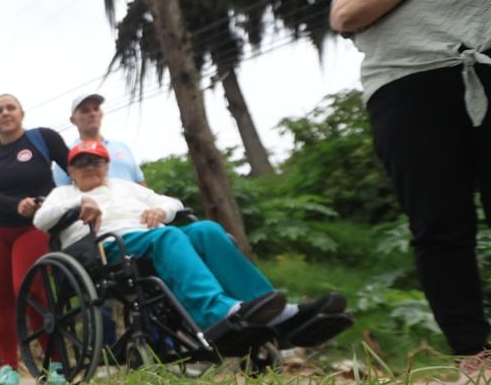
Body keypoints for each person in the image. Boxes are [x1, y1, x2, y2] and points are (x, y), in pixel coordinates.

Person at [329, 0, 491, 385]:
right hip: (405, 96)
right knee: (438, 225)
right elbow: (348, 16)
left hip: (484, 72)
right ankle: (476, 357)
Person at [36, 141, 351, 349]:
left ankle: (271, 311)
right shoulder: (64, 193)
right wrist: (76, 208)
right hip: (107, 248)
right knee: (169, 236)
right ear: (71, 170)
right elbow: (41, 219)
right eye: (83, 162)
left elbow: (172, 201)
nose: (91, 166)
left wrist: (162, 211)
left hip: (149, 236)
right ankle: (216, 312)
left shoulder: (125, 185)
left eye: (98, 161)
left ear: (107, 165)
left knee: (207, 230)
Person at [0, 93, 71, 385]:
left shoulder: (43, 139)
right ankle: (7, 368)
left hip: (34, 227)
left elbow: (73, 168)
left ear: (21, 113)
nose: (5, 113)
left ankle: (54, 363)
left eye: (10, 107)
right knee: (2, 299)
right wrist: (15, 205)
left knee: (31, 290)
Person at [53, 93, 146, 186]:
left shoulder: (122, 147)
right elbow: (61, 191)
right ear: (73, 120)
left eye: (96, 109)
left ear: (101, 114)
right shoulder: (67, 153)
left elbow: (142, 186)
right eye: (85, 111)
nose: (92, 114)